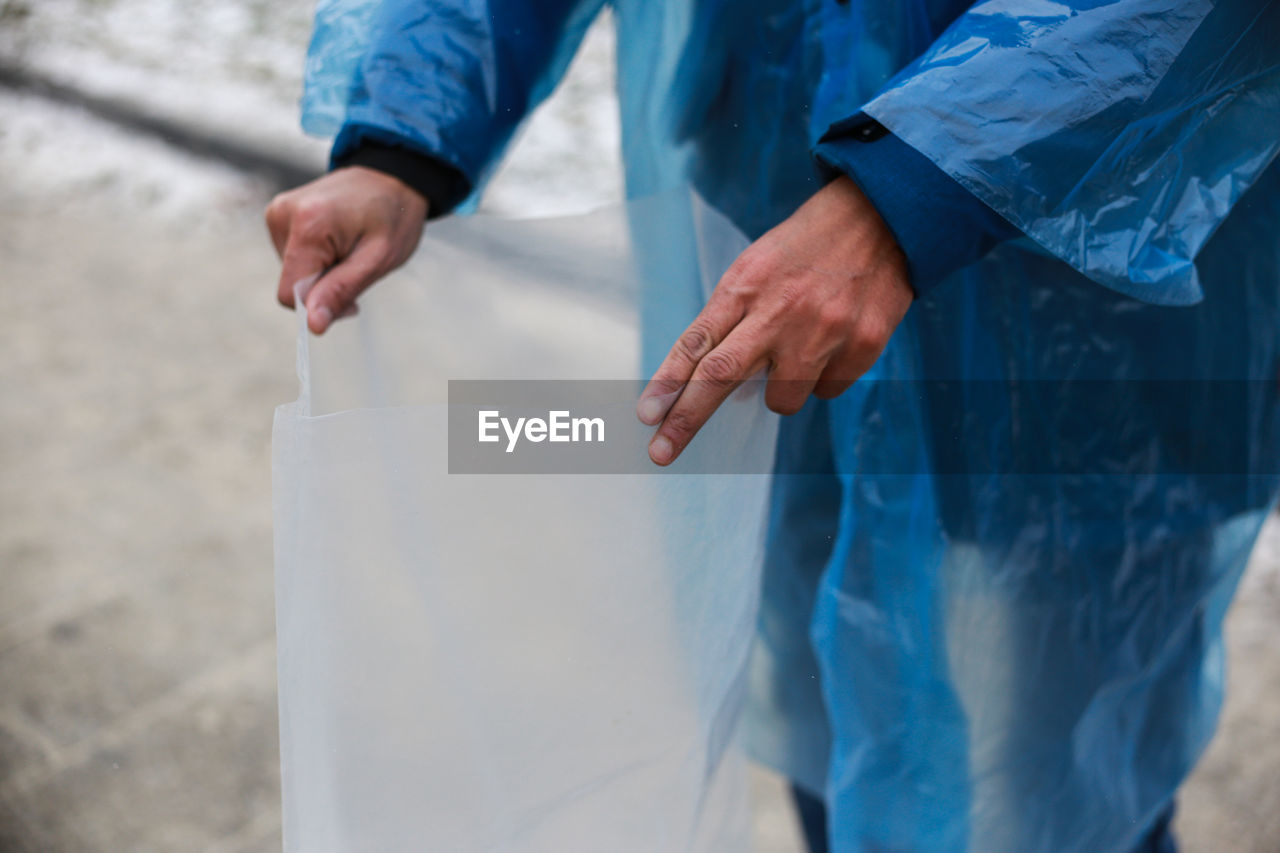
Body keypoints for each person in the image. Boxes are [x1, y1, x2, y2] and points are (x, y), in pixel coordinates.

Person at [264, 1, 1280, 850]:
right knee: (824, 701)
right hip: (761, 215)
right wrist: (408, 130)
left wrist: (921, 181)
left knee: (1057, 764)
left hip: (1074, 285)